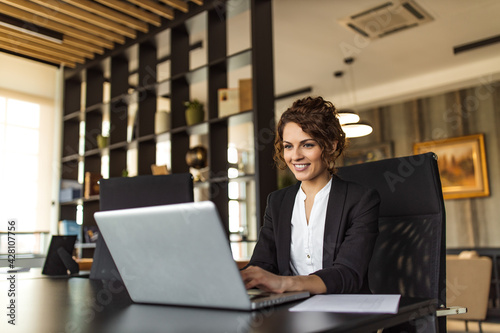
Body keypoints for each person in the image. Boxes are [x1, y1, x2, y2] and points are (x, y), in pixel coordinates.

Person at [240, 96, 380, 295]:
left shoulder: (361, 200)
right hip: (290, 310)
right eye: (288, 146)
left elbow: (348, 274)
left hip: (344, 312)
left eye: (307, 145)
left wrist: (285, 283)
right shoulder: (278, 202)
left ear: (331, 146)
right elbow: (263, 264)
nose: (295, 156)